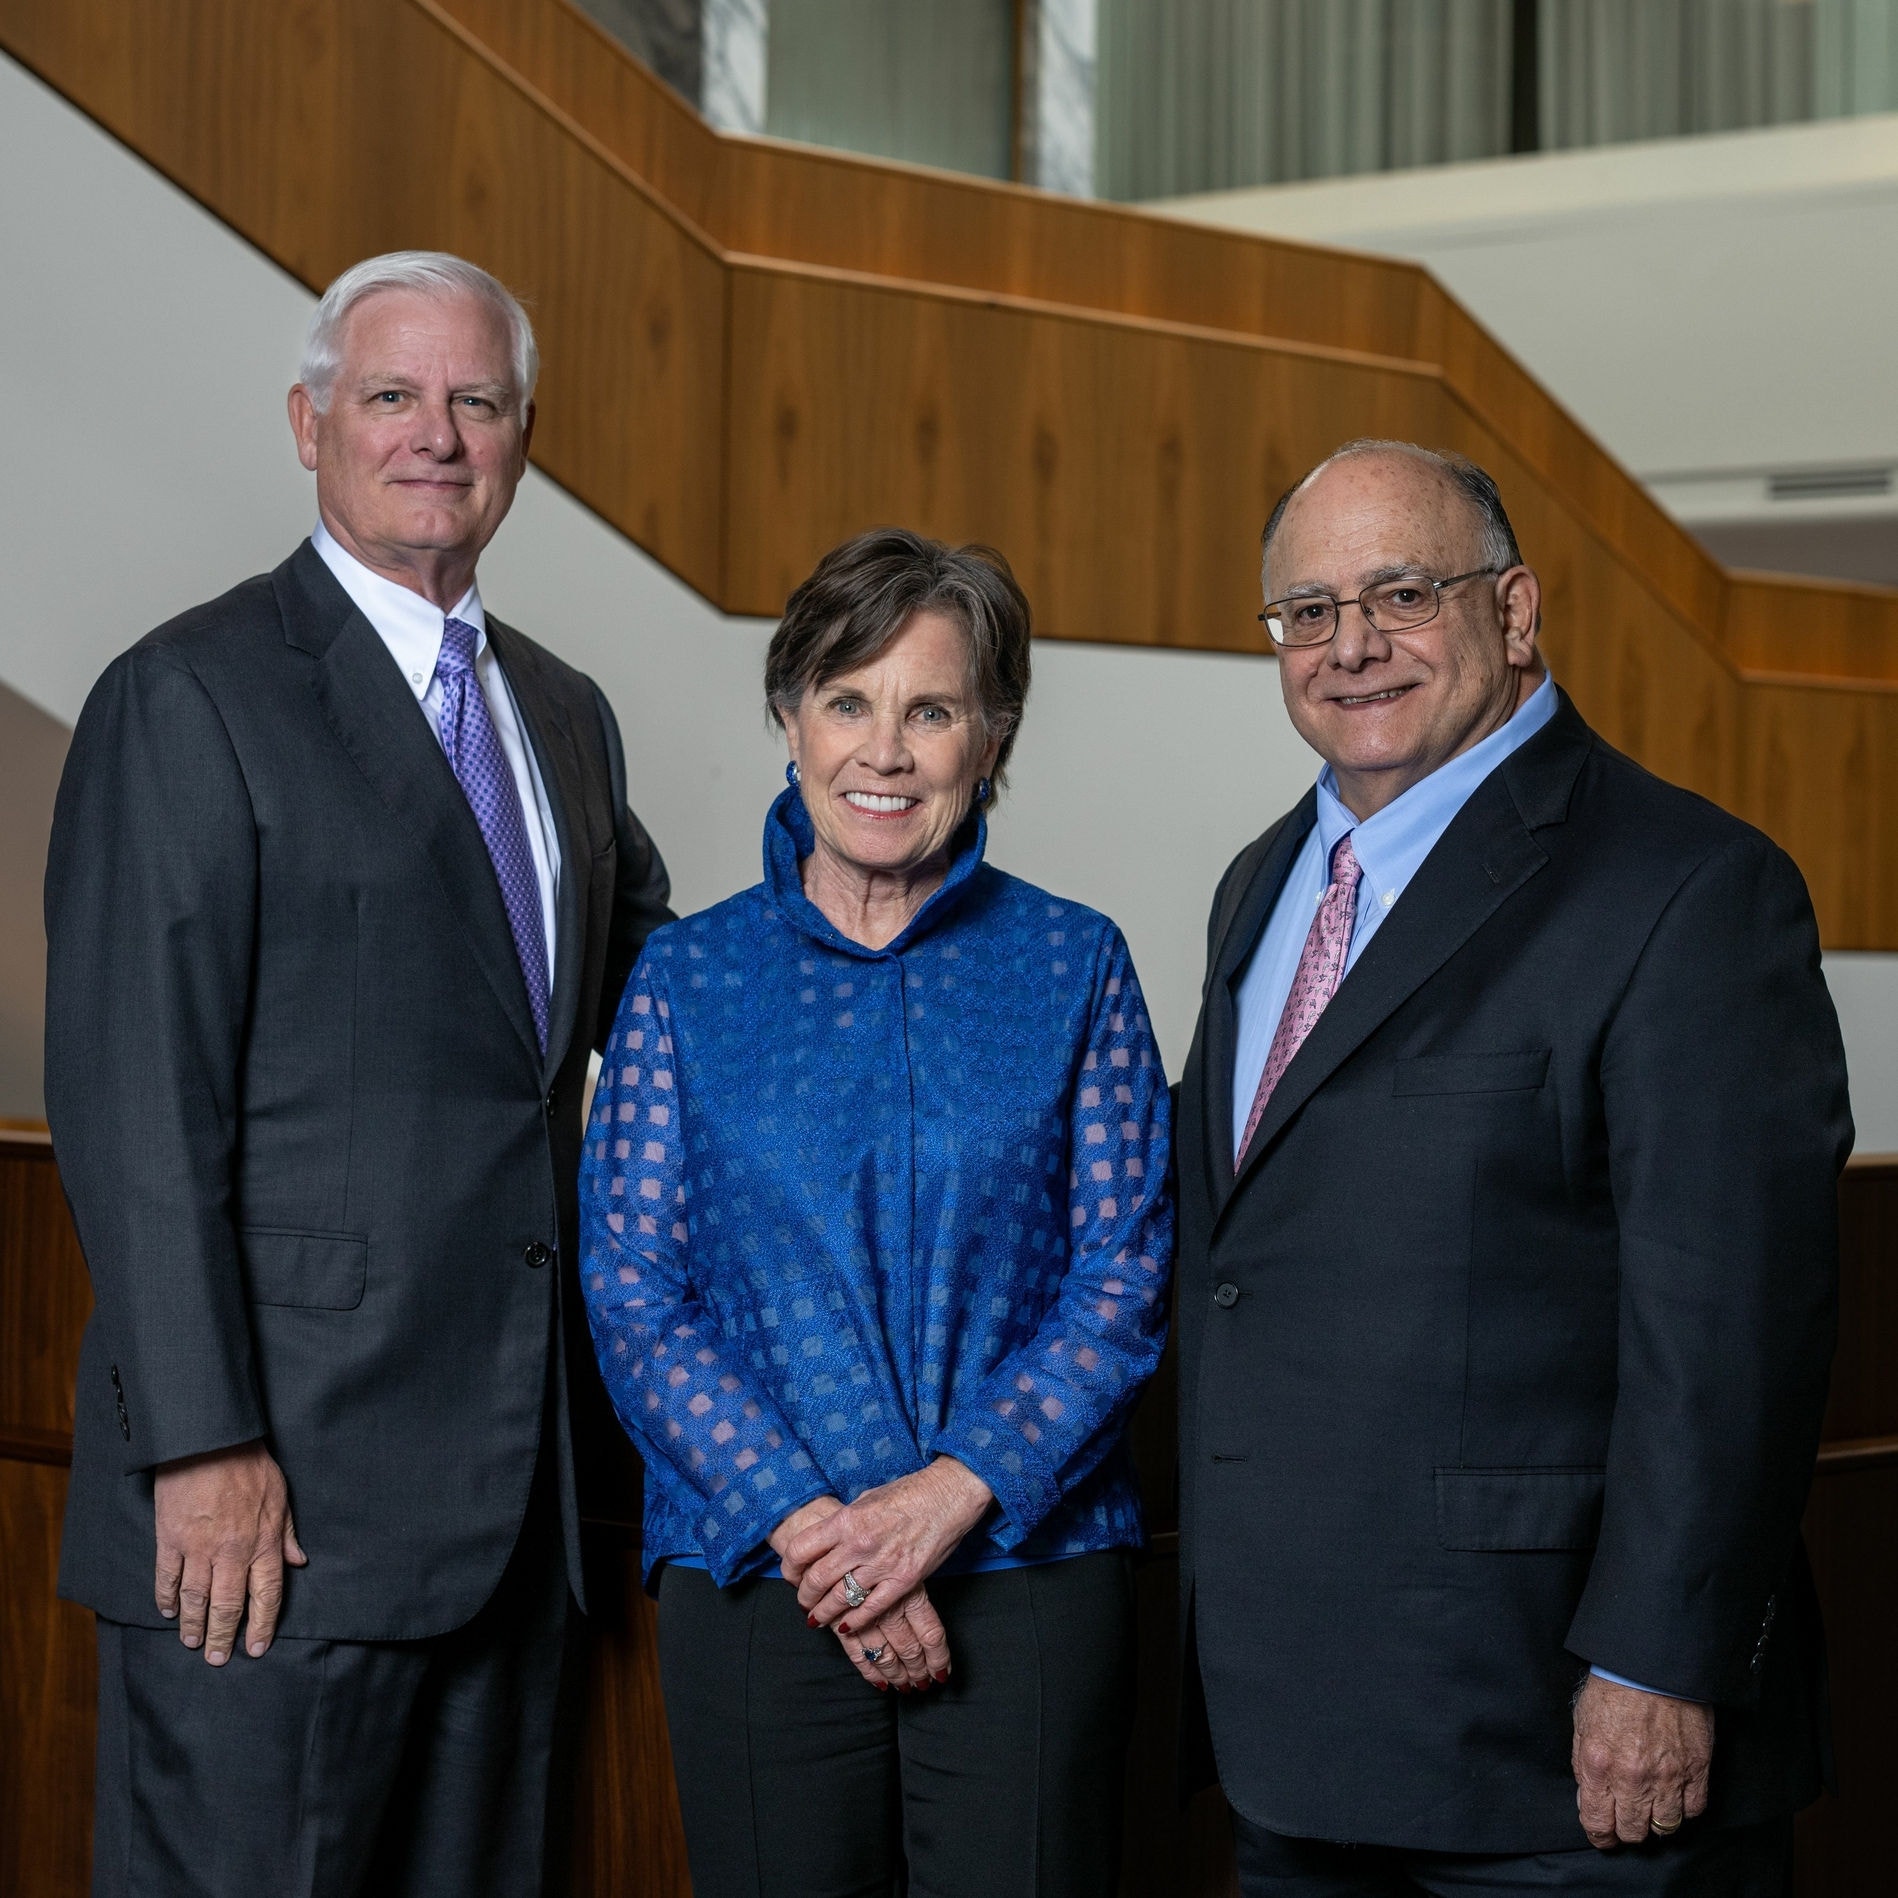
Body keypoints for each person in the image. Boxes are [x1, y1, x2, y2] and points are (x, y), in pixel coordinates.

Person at [46, 250, 672, 1897]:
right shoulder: (189, 693)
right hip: (273, 1511)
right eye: (393, 396)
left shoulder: (563, 714)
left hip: (512, 1513)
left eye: (476, 401)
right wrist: (202, 1448)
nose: (437, 436)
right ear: (310, 423)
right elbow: (135, 1106)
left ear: (525, 436)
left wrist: (886, 865)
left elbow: (666, 995)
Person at [1174, 440, 1850, 1895]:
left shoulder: (1687, 891)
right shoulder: (1260, 881)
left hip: (1559, 1753)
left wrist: (1657, 1663)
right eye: (1304, 610)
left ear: (1515, 609)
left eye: (1401, 591)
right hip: (1293, 1732)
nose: (1349, 644)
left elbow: (1729, 1332)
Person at [579, 526, 1173, 1898]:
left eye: (931, 708)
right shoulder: (684, 978)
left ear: (993, 734)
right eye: (847, 700)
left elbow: (1123, 1278)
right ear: (790, 720)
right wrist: (815, 1528)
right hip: (754, 1576)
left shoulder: (1075, 963)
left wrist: (943, 1502)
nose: (883, 751)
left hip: (1027, 1571)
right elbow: (632, 1289)